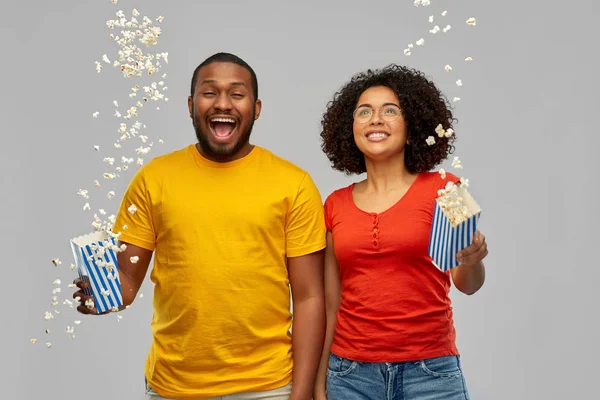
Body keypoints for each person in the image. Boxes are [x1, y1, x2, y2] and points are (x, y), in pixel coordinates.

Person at [73, 52, 327, 400]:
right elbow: (128, 281)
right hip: (174, 387)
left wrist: (301, 394)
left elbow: (310, 296)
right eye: (210, 93)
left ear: (256, 108)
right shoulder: (154, 178)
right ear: (191, 104)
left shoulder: (293, 184)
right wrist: (101, 296)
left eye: (237, 94)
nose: (223, 103)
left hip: (269, 386)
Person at [313, 64, 489, 400]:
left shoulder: (448, 189)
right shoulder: (334, 205)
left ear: (410, 129)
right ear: (350, 129)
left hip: (431, 374)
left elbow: (469, 284)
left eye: (390, 110)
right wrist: (321, 381)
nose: (375, 119)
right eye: (364, 112)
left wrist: (473, 259)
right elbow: (331, 305)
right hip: (350, 376)